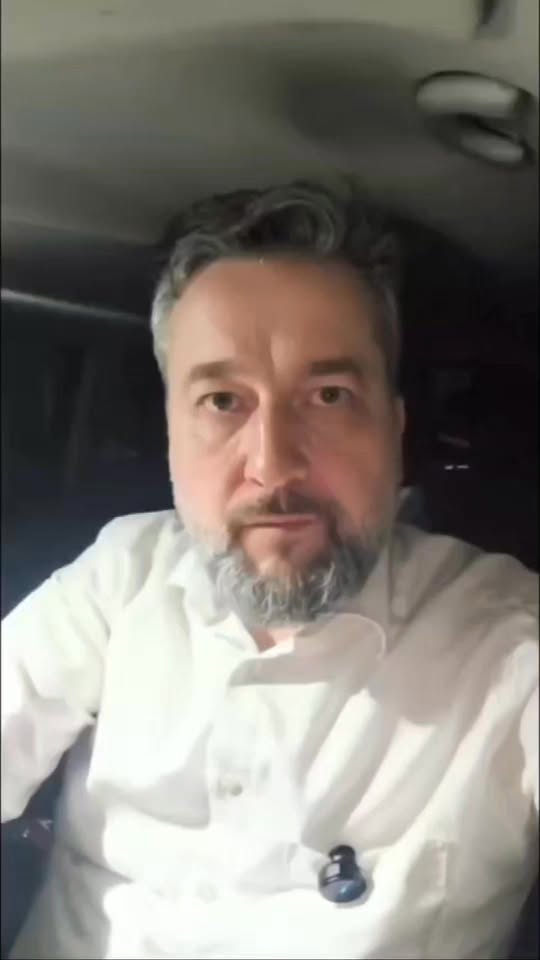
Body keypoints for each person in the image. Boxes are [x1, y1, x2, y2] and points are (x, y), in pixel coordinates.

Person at [1, 181, 538, 960]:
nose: (273, 464)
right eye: (223, 401)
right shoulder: (122, 578)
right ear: (171, 435)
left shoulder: (511, 646)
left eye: (329, 395)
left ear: (394, 430)